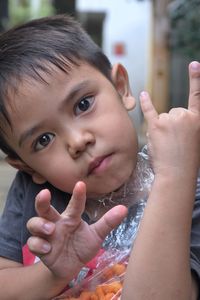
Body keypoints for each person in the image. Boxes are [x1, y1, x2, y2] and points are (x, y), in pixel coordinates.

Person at [0, 14, 199, 299]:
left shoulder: (189, 191)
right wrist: (55, 274)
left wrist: (175, 176)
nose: (78, 141)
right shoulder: (34, 195)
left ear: (120, 87)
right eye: (43, 140)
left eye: (83, 104)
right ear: (28, 167)